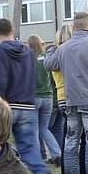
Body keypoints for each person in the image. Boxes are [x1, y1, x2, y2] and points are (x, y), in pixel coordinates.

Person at [44, 12, 88, 174]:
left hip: (70, 101)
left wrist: (50, 48)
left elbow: (49, 65)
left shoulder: (63, 48)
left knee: (71, 144)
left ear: (74, 27)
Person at [0, 18, 54, 174]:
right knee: (29, 147)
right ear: (13, 30)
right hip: (27, 105)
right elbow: (33, 77)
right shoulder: (27, 51)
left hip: (7, 105)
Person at [28, 35, 61, 166]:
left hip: (34, 97)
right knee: (44, 128)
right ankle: (57, 153)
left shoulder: (29, 60)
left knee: (35, 129)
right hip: (48, 96)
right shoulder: (46, 59)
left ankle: (38, 158)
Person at [48, 25, 72, 153]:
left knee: (64, 130)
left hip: (61, 95)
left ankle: (63, 155)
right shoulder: (73, 51)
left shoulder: (54, 54)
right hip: (74, 95)